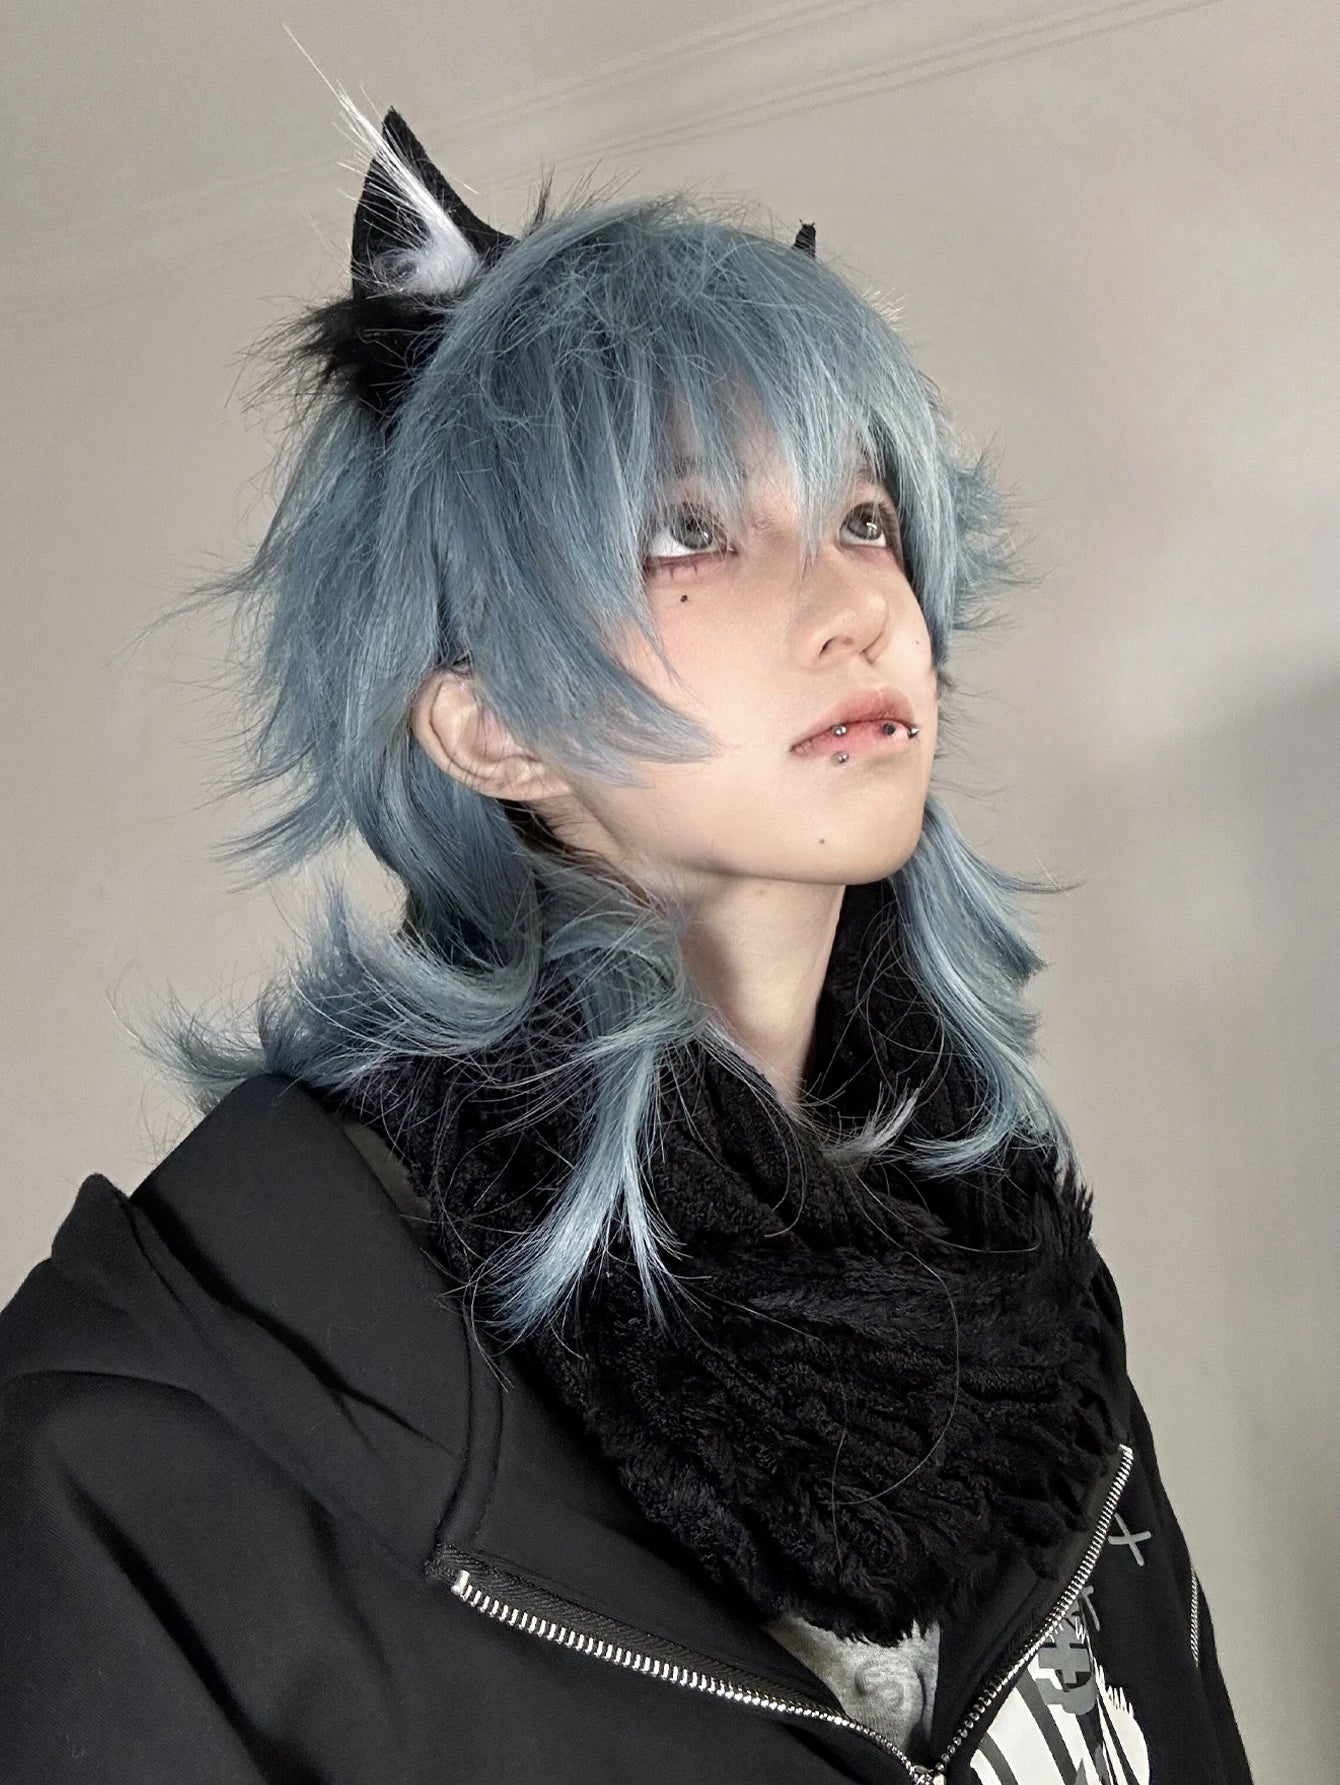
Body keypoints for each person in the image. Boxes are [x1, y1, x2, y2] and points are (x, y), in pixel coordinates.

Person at [0, 103, 1254, 1784]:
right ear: (491, 722)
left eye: (863, 516)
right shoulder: (151, 1446)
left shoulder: (1033, 1319)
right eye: (690, 531)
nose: (862, 604)